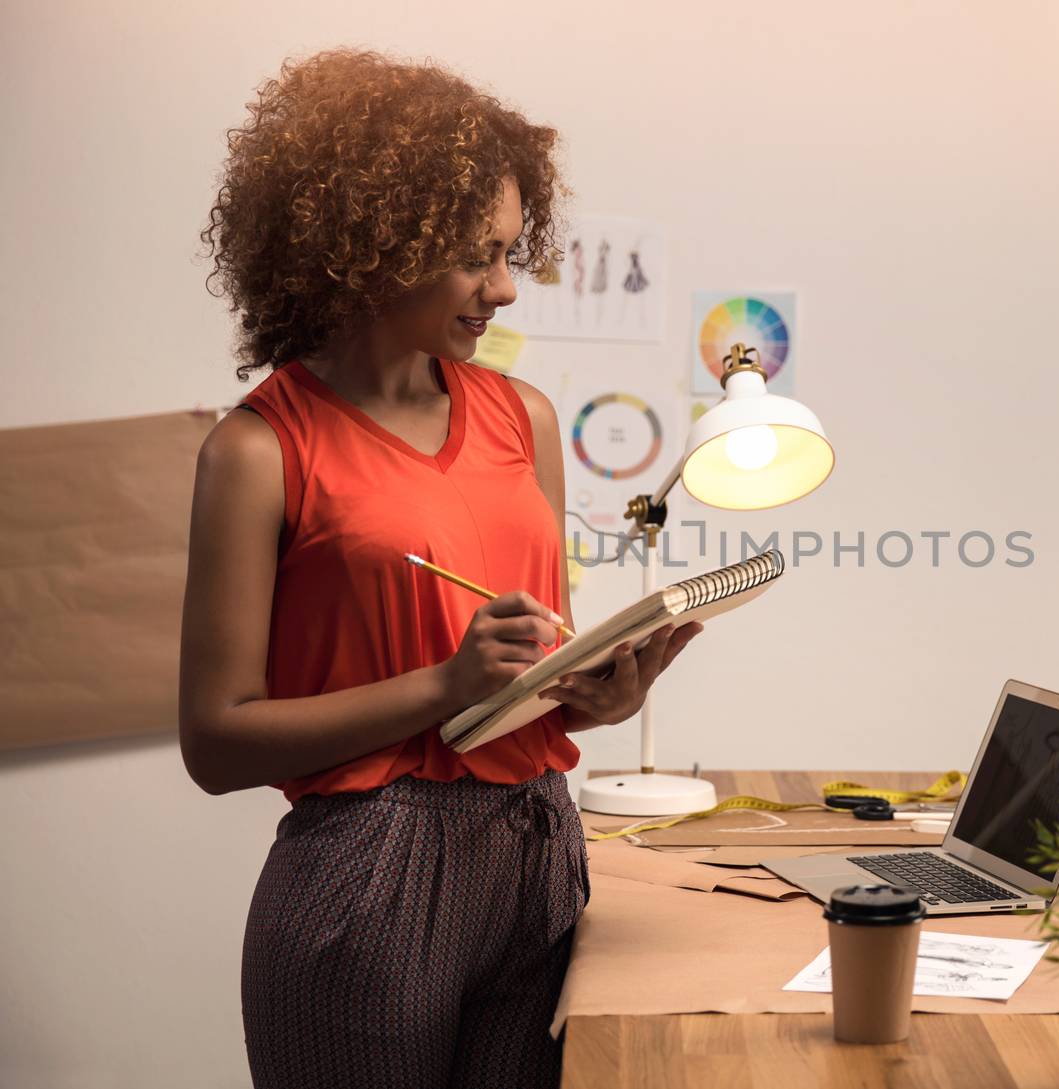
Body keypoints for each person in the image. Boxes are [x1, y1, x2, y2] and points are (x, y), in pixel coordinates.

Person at [179, 47, 702, 1088]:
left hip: (539, 853)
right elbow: (216, 740)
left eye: (511, 251)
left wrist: (593, 695)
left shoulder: (527, 421)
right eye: (475, 256)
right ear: (369, 247)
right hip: (366, 875)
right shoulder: (258, 449)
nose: (505, 288)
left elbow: (523, 692)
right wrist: (443, 686)